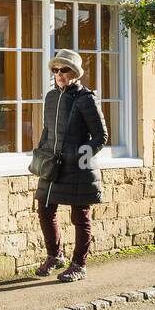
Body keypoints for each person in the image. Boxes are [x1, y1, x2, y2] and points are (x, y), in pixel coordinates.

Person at [34, 48, 107, 282]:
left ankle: (79, 264)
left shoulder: (86, 99)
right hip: (52, 166)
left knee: (80, 217)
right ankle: (55, 256)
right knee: (45, 211)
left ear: (74, 73)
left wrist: (78, 155)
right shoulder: (51, 97)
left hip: (79, 167)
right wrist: (42, 150)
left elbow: (101, 136)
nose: (59, 74)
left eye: (64, 70)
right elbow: (47, 130)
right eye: (55, 70)